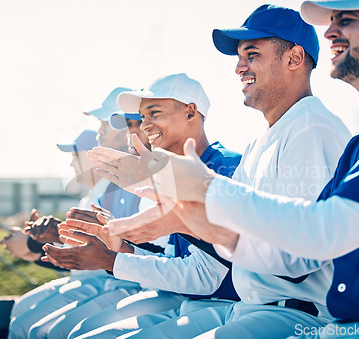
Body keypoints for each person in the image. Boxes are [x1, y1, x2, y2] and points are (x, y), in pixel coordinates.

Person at [121, 0, 359, 336]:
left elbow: (321, 234)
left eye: (347, 19)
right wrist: (194, 216)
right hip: (326, 323)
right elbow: (302, 247)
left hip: (353, 325)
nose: (329, 31)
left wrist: (207, 191)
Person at [91, 5, 352, 338]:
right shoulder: (264, 138)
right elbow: (230, 221)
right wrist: (155, 189)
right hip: (255, 309)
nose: (239, 67)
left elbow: (297, 259)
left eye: (252, 54)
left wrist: (180, 212)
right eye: (239, 57)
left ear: (295, 58)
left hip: (297, 316)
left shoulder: (312, 128)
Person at [41, 73, 242, 339]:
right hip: (191, 301)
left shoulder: (223, 167)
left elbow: (206, 277)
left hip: (227, 306)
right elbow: (174, 259)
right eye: (140, 118)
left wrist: (113, 260)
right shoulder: (166, 174)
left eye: (153, 113)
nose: (143, 126)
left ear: (190, 112)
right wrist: (121, 248)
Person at [8, 88, 144, 339]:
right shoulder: (105, 192)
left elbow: (114, 251)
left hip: (123, 283)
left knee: (50, 329)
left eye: (76, 155)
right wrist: (40, 245)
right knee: (24, 312)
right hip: (109, 279)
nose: (71, 163)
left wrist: (35, 245)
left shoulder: (127, 187)